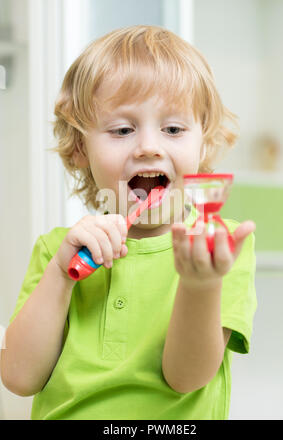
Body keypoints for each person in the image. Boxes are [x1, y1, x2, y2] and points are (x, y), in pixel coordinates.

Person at [0, 25, 257, 420]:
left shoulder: (218, 247)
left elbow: (185, 377)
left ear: (202, 143)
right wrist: (61, 275)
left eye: (173, 129)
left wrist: (200, 283)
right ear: (80, 147)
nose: (150, 147)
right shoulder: (57, 250)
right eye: (122, 129)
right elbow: (18, 376)